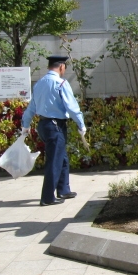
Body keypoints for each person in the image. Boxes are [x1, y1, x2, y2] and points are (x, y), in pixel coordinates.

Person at [22, 55, 86, 206]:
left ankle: (63, 189)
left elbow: (32, 107)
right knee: (54, 161)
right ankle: (47, 197)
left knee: (61, 157)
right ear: (62, 66)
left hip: (43, 125)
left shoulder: (39, 84)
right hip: (56, 125)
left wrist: (25, 124)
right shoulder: (61, 83)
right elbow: (72, 107)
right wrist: (81, 124)